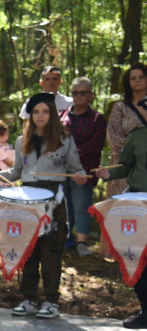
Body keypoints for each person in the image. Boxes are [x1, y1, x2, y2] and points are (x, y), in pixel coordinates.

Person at [0, 93, 88, 319]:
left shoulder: (64, 139)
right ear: (30, 115)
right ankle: (28, 298)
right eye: (36, 112)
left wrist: (80, 176)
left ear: (52, 114)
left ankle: (51, 301)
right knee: (28, 249)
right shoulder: (22, 141)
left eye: (45, 111)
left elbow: (75, 167)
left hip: (53, 198)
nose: (40, 116)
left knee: (51, 251)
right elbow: (16, 172)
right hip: (26, 200)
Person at [94, 100, 147, 328]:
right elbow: (126, 166)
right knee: (136, 256)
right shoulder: (137, 136)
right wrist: (108, 174)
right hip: (138, 203)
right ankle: (146, 309)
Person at [60, 77, 106, 256]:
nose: (78, 96)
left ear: (90, 95)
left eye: (83, 93)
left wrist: (72, 156)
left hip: (85, 170)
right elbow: (56, 141)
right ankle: (66, 240)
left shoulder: (97, 118)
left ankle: (82, 242)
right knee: (64, 207)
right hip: (61, 171)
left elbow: (96, 144)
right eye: (75, 93)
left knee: (82, 206)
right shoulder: (62, 116)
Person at [106, 62, 147, 199]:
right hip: (123, 163)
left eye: (141, 77)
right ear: (127, 82)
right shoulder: (120, 107)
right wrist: (135, 151)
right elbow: (114, 137)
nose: (137, 80)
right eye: (133, 78)